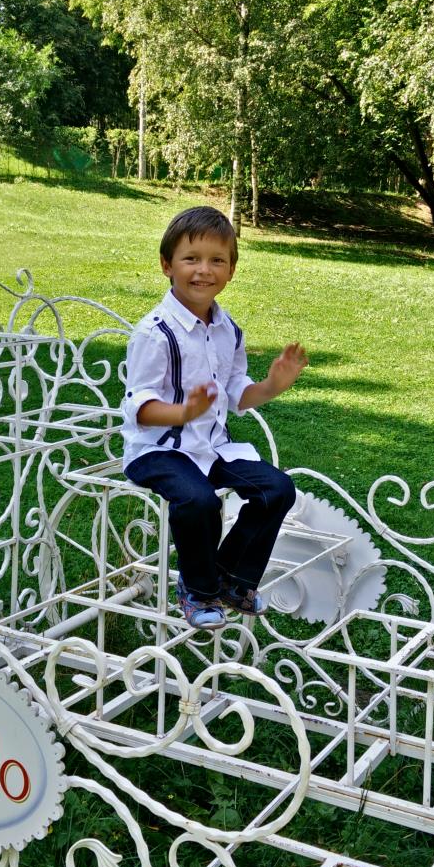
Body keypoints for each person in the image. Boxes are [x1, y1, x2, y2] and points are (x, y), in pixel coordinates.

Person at [122, 206, 308, 629]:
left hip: (210, 446)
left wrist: (272, 385)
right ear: (167, 265)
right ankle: (198, 590)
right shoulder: (155, 333)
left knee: (277, 489)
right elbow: (140, 408)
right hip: (157, 450)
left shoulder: (228, 330)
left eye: (217, 260)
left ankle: (230, 579)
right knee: (199, 499)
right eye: (191, 259)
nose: (204, 270)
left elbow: (237, 391)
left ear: (231, 270)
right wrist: (184, 411)